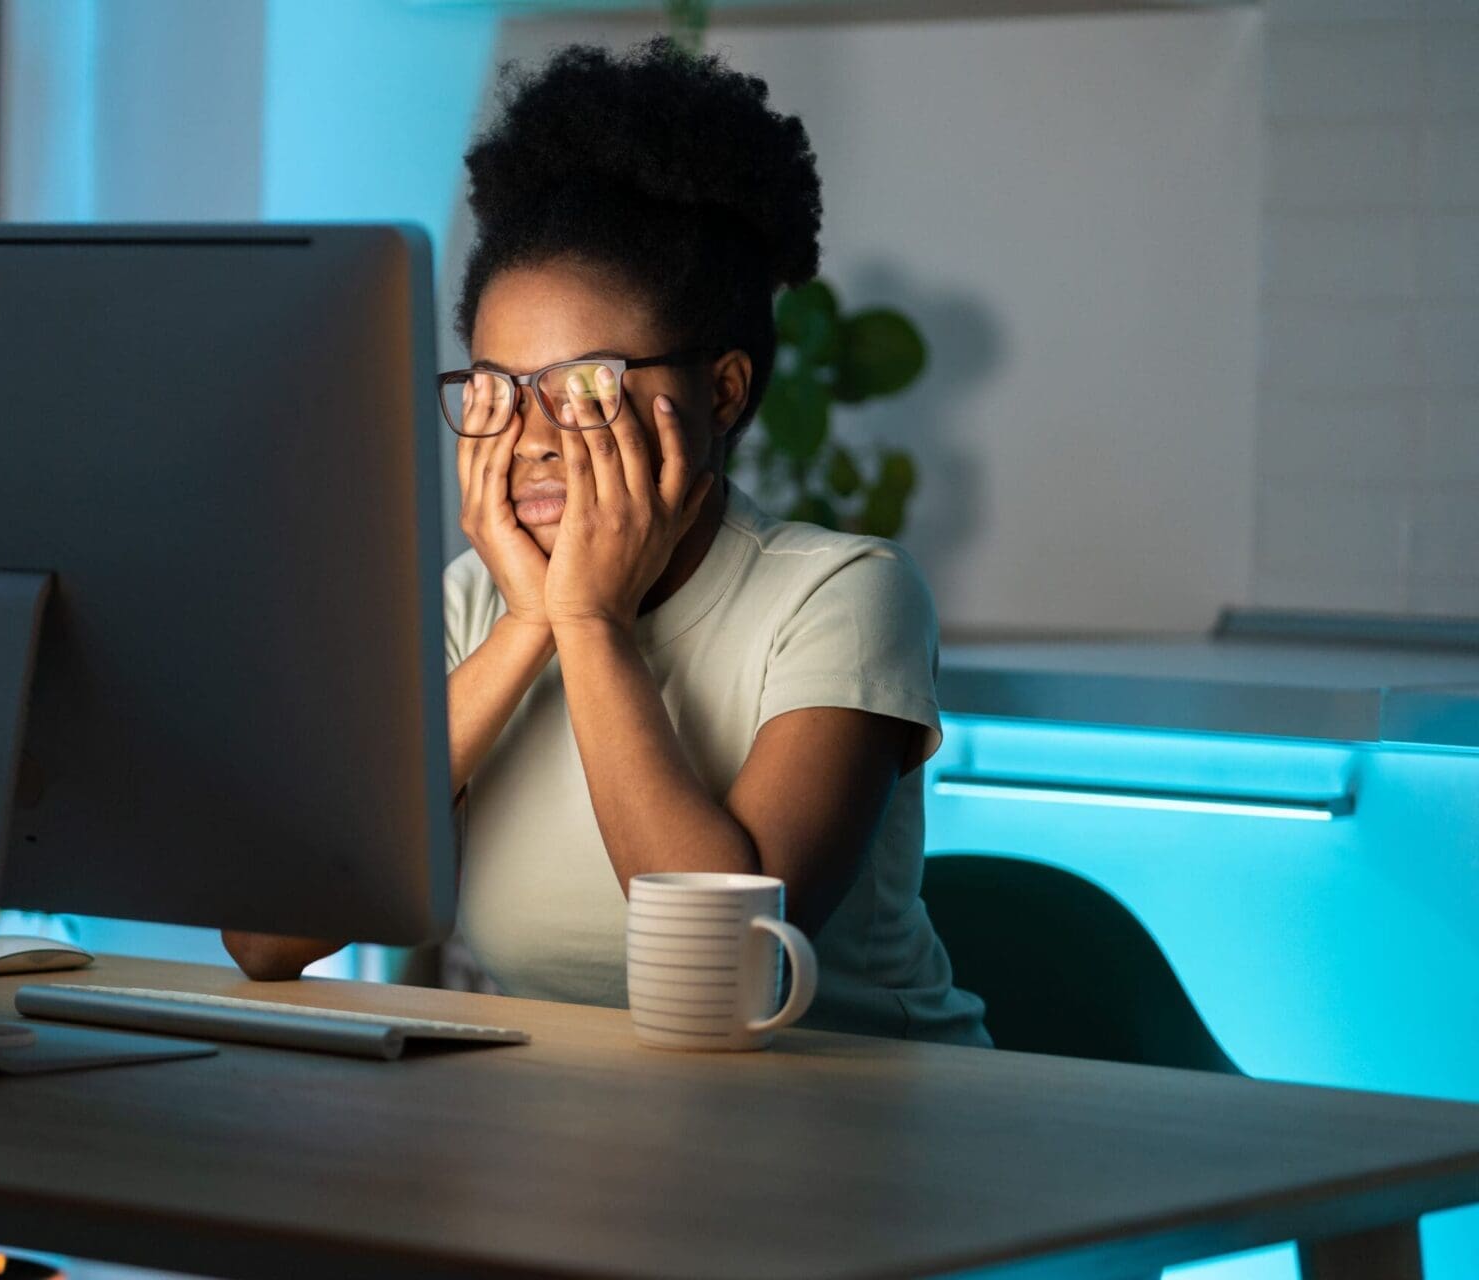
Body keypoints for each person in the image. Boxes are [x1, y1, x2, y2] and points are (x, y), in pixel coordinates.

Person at [225, 36, 989, 1047]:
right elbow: (266, 936)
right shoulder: (474, 605)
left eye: (581, 385)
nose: (532, 436)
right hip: (582, 1136)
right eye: (497, 387)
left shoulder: (845, 596)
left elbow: (731, 968)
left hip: (853, 1144)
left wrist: (587, 621)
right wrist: (527, 627)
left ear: (720, 391)